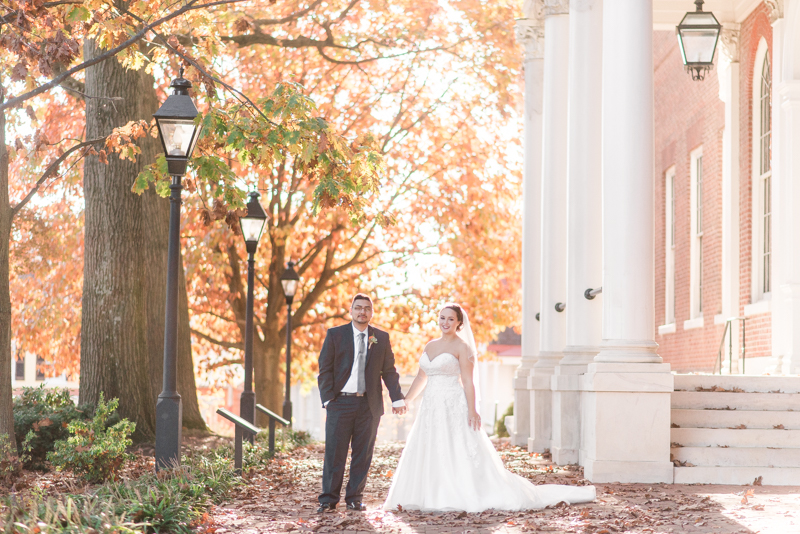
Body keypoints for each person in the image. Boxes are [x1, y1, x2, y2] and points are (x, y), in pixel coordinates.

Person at [383, 303, 596, 512]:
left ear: (458, 324)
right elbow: (422, 376)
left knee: (456, 446)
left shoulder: (462, 348)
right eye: (442, 317)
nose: (445, 322)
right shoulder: (430, 345)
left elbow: (468, 382)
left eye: (450, 319)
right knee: (430, 445)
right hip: (430, 406)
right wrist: (408, 399)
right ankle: (427, 493)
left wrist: (472, 409)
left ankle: (458, 492)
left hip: (452, 403)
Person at [317, 294, 407, 513]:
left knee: (363, 454)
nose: (362, 312)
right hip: (340, 403)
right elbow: (324, 369)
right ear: (351, 310)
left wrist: (397, 397)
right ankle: (328, 499)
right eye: (358, 308)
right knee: (335, 453)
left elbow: (389, 371)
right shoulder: (336, 335)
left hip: (369, 405)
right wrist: (329, 399)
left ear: (372, 312)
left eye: (367, 308)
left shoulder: (381, 338)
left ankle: (355, 498)